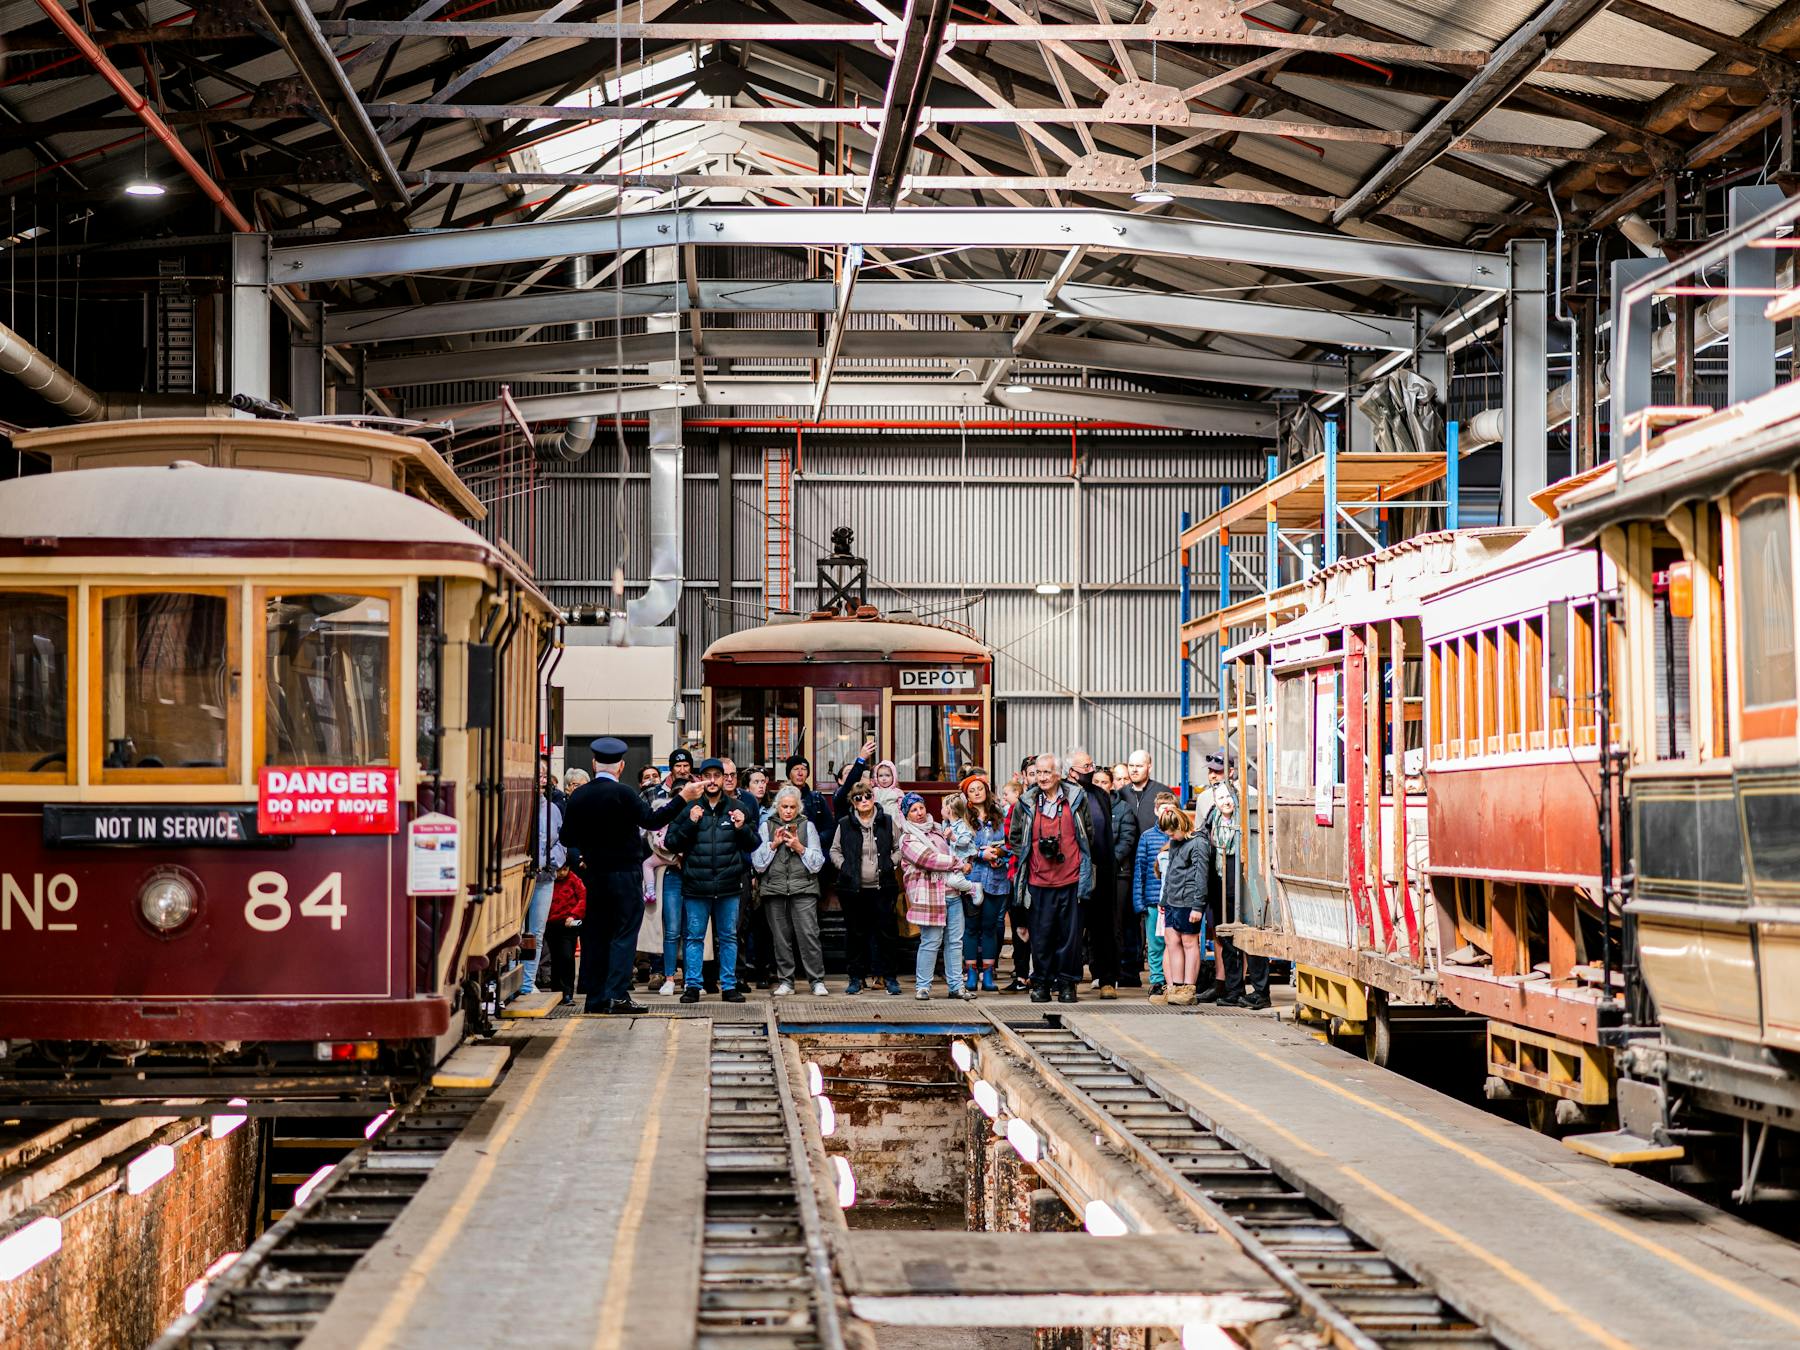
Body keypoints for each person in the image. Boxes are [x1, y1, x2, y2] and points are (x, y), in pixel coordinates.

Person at [560, 737, 700, 1014]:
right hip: (624, 874)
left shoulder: (579, 795)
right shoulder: (624, 794)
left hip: (595, 876)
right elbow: (653, 820)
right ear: (621, 766)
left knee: (597, 935)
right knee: (624, 934)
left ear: (593, 763)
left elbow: (567, 837)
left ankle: (596, 997)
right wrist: (683, 798)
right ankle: (618, 994)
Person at [663, 758, 759, 1004]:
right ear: (700, 778)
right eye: (709, 775)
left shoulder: (738, 807)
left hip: (728, 885)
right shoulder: (688, 807)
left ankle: (729, 986)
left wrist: (741, 827)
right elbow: (671, 843)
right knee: (694, 937)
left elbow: (753, 844)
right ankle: (692, 986)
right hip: (696, 885)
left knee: (728, 936)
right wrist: (690, 822)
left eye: (719, 775)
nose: (714, 780)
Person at [1008, 754, 1093, 1004]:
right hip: (1038, 881)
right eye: (1039, 773)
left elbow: (1088, 832)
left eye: (1047, 772)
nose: (1042, 778)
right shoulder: (1026, 802)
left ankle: (1067, 984)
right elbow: (1015, 838)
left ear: (1058, 774)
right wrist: (1031, 856)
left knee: (1070, 937)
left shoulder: (1076, 798)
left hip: (1071, 879)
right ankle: (1042, 982)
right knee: (1041, 936)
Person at [1203, 753, 1269, 1009]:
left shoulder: (1246, 819)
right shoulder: (1214, 819)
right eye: (1220, 798)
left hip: (1245, 882)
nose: (1224, 802)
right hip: (1222, 884)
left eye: (1228, 797)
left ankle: (1261, 991)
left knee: (1252, 938)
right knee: (1227, 938)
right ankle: (1233, 989)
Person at [753, 786, 830, 996]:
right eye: (784, 806)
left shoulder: (807, 826)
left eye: (792, 807)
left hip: (804, 888)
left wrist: (799, 847)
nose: (788, 811)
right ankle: (786, 981)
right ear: (777, 807)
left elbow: (817, 864)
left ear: (799, 808)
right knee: (780, 938)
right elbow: (758, 865)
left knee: (809, 935)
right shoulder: (766, 826)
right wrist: (774, 844)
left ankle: (816, 981)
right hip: (774, 889)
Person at [830, 779, 904, 995]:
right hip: (853, 889)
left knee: (886, 934)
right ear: (852, 802)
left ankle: (889, 977)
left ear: (874, 798)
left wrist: (891, 862)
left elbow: (900, 847)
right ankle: (856, 978)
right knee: (855, 934)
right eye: (858, 798)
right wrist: (845, 867)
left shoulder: (888, 822)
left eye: (868, 796)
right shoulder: (844, 823)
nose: (864, 800)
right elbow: (834, 850)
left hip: (883, 887)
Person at [898, 793, 973, 1001]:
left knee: (955, 942)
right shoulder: (907, 838)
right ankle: (923, 987)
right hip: (929, 895)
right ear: (907, 814)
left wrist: (967, 858)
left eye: (920, 807)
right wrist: (958, 863)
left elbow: (959, 846)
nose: (919, 813)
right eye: (913, 810)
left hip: (952, 893)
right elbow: (928, 859)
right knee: (931, 941)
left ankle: (956, 986)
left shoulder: (940, 829)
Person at [1116, 749, 1172, 982]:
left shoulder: (1162, 792)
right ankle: (1129, 968)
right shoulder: (1121, 794)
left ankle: (1160, 973)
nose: (1134, 769)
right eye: (1131, 765)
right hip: (1127, 866)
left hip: (1155, 867)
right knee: (1128, 917)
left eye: (1139, 765)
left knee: (1156, 922)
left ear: (1149, 766)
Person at [1068, 748, 1118, 999]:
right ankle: (1071, 979)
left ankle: (1107, 978)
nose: (1091, 770)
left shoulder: (1100, 794)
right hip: (1076, 871)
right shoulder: (1066, 796)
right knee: (1074, 927)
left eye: (1091, 765)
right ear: (1071, 772)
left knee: (1104, 927)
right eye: (1086, 767)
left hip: (1103, 868)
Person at [1159, 805, 1212, 1007]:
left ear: (1181, 825)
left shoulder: (1198, 843)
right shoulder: (1175, 843)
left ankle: (1188, 989)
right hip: (1172, 900)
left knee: (1189, 944)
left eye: (1172, 832)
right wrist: (1164, 900)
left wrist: (1198, 906)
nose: (1171, 837)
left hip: (1188, 901)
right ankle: (1175, 987)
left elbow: (1201, 875)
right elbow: (1171, 871)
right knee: (1172, 942)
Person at [520, 762, 565, 996]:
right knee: (516, 933)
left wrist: (552, 860)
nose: (542, 779)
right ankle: (514, 981)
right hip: (519, 878)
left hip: (545, 878)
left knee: (536, 933)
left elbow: (561, 842)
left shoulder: (553, 809)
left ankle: (527, 984)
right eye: (538, 774)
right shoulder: (517, 806)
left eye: (545, 775)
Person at [963, 774, 1010, 993]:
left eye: (979, 788)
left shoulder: (1000, 814)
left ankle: (988, 974)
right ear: (967, 796)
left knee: (990, 927)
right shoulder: (963, 817)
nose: (977, 792)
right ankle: (971, 972)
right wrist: (983, 853)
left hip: (996, 879)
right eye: (971, 790)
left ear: (986, 790)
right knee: (971, 928)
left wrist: (999, 855)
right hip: (973, 880)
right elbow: (960, 847)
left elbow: (1010, 843)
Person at [1132, 792, 1177, 1002]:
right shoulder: (1147, 837)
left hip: (1175, 901)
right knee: (1156, 943)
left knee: (1174, 942)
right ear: (1156, 811)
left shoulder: (1180, 836)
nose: (1166, 812)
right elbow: (1139, 869)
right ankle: (1157, 981)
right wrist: (1139, 901)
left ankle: (1174, 981)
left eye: (1171, 808)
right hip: (1153, 901)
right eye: (1162, 808)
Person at [1110, 774, 1142, 988]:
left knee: (1120, 925)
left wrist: (1110, 860)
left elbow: (1127, 839)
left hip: (1119, 871)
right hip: (1093, 872)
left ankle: (1121, 971)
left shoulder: (1123, 809)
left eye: (1105, 782)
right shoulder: (1085, 805)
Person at [999, 775, 1031, 990]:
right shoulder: (1015, 810)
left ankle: (1035, 974)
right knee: (1020, 928)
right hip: (1017, 873)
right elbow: (1011, 838)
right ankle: (1021, 975)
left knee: (1037, 928)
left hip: (1036, 875)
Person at [543, 863, 587, 1004]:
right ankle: (556, 991)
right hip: (551, 924)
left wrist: (574, 915)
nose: (562, 873)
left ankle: (567, 992)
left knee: (567, 957)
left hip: (568, 925)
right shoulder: (548, 881)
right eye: (559, 870)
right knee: (555, 958)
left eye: (565, 869)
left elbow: (583, 898)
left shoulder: (574, 880)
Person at [784, 754, 836, 844]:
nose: (800, 773)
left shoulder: (817, 799)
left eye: (804, 769)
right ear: (789, 774)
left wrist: (815, 841)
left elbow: (830, 828)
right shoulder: (781, 798)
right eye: (796, 769)